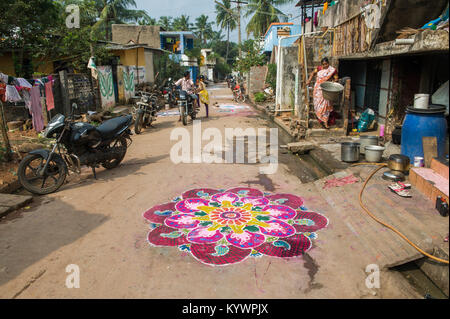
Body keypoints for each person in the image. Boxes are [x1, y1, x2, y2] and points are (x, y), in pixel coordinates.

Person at [306, 57, 339, 129]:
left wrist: (334, 81)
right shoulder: (318, 68)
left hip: (326, 89)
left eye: (326, 64)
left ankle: (325, 122)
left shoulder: (332, 70)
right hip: (318, 89)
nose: (325, 66)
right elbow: (312, 73)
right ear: (321, 65)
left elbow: (336, 78)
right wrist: (309, 80)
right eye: (323, 64)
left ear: (328, 63)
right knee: (318, 104)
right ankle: (319, 116)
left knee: (326, 105)